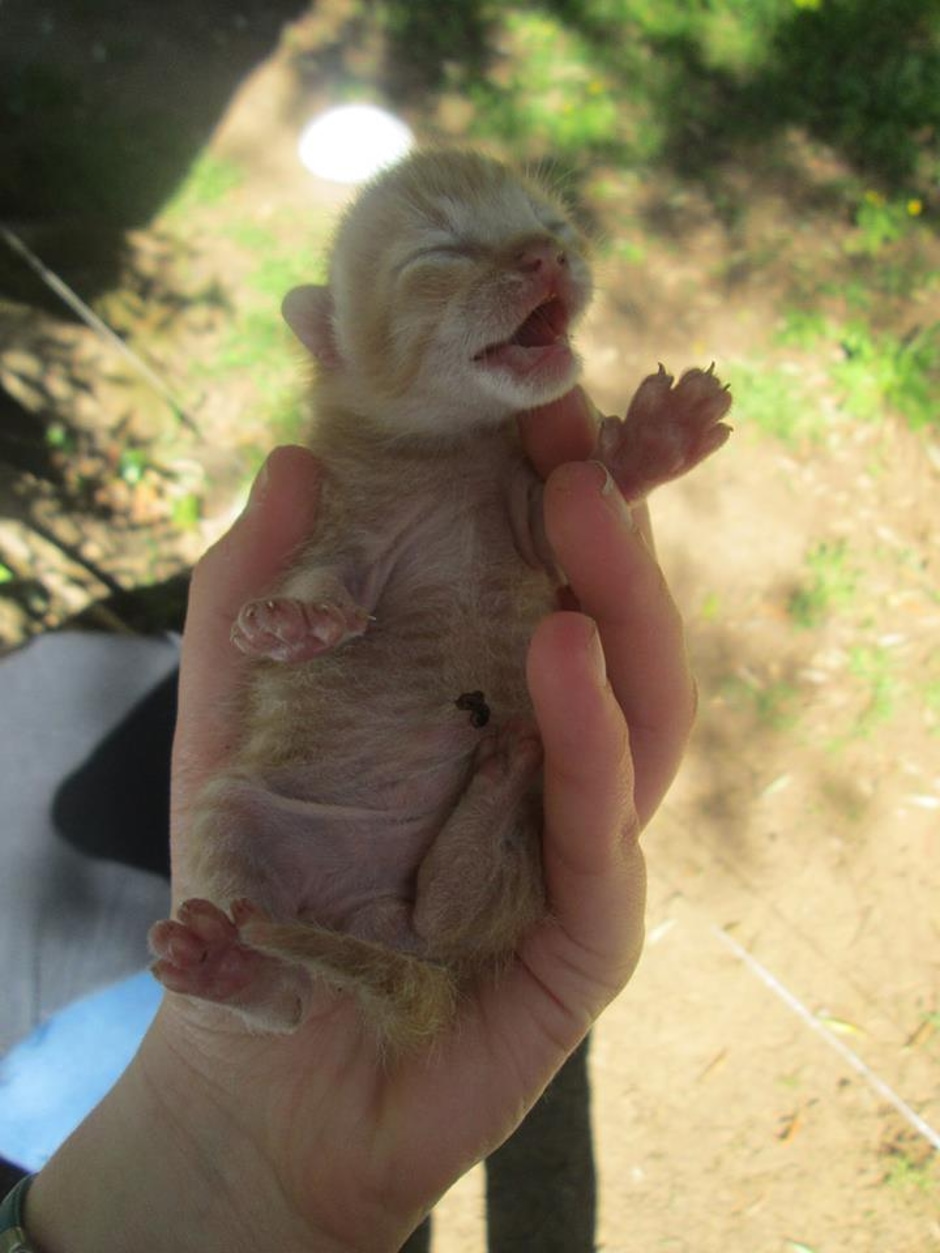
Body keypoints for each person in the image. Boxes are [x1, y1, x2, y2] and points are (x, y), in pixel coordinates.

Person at [4, 386, 697, 1252]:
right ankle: (275, 987)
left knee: (335, 882)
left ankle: (280, 976)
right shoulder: (366, 458)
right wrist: (314, 602)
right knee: (253, 836)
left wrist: (622, 473)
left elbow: (536, 529)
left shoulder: (467, 446)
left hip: (413, 845)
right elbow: (365, 553)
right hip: (357, 842)